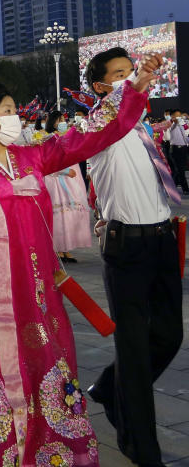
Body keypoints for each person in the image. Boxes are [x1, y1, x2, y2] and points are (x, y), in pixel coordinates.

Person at [0, 56, 160, 467]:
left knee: (43, 359)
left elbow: (90, 133)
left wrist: (133, 87)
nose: (16, 118)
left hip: (35, 287)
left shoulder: (35, 157)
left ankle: (47, 445)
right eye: (9, 111)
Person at [83, 48, 184, 467]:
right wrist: (140, 79)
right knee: (136, 352)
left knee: (169, 337)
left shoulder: (141, 129)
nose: (130, 78)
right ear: (102, 87)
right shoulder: (98, 127)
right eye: (119, 74)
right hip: (127, 248)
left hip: (161, 241)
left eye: (132, 70)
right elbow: (121, 106)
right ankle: (142, 449)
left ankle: (109, 387)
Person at [41, 112, 90, 263]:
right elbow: (47, 161)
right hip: (57, 180)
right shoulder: (48, 138)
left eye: (63, 119)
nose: (63, 122)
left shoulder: (67, 137)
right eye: (60, 120)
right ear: (53, 122)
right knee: (59, 215)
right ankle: (58, 248)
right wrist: (64, 171)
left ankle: (66, 247)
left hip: (70, 179)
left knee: (70, 215)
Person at [167, 108, 188, 193]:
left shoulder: (182, 124)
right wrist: (176, 121)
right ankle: (185, 189)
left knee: (180, 169)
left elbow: (185, 135)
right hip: (176, 149)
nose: (178, 117)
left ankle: (173, 185)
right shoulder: (171, 125)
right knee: (179, 169)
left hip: (184, 148)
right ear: (172, 116)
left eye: (179, 115)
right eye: (176, 115)